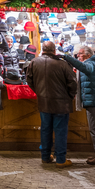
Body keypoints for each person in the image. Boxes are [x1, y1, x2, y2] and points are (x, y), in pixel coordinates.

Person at [26, 40, 78, 168]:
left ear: (42, 50)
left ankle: (45, 157)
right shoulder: (63, 64)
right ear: (55, 51)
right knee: (60, 131)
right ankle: (60, 160)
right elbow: (73, 83)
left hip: (44, 103)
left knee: (45, 130)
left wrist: (39, 93)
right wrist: (69, 96)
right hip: (61, 104)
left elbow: (29, 81)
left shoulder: (34, 62)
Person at [62, 45, 95, 167]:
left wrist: (67, 57)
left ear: (88, 55)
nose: (78, 55)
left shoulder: (91, 63)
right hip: (93, 101)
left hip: (94, 102)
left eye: (80, 54)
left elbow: (84, 68)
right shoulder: (93, 63)